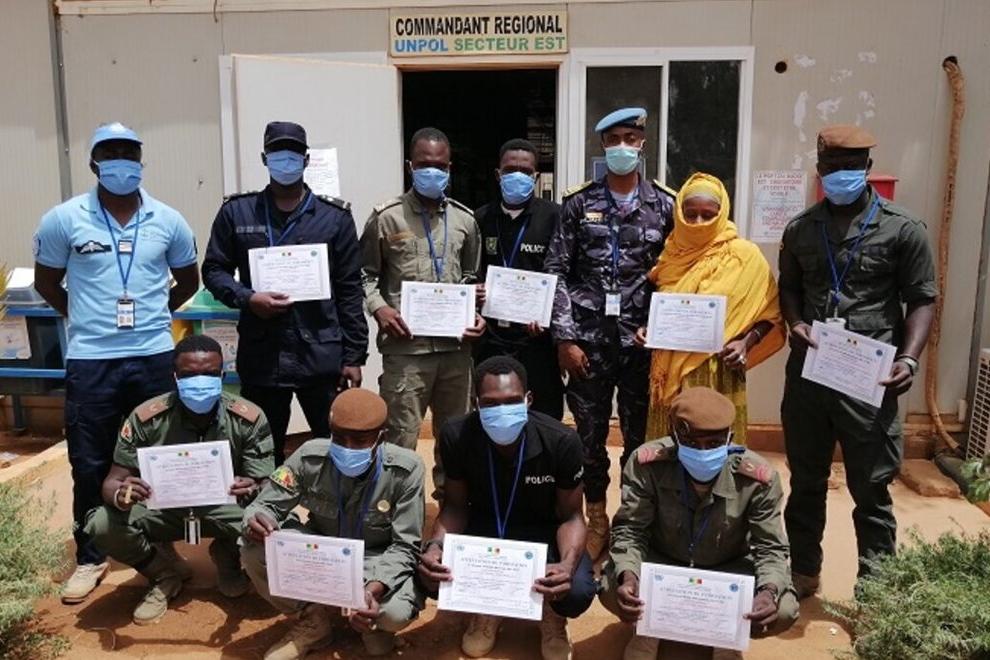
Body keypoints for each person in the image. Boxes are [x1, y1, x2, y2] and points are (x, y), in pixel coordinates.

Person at [32, 122, 200, 604]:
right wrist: (84, 318)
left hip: (153, 356)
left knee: (159, 454)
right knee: (89, 459)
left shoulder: (168, 220)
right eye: (111, 153)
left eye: (130, 152)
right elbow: (47, 282)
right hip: (92, 359)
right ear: (94, 163)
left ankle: (160, 545)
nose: (121, 161)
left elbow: (187, 280)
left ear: (141, 162)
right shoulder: (64, 219)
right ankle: (91, 555)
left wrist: (155, 316)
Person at [779, 125, 937, 596]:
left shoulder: (903, 228)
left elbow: (922, 299)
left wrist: (909, 360)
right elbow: (789, 287)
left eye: (851, 166)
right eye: (832, 167)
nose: (841, 174)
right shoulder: (801, 229)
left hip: (870, 379)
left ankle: (875, 592)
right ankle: (803, 572)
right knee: (806, 482)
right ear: (819, 170)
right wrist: (795, 322)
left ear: (867, 168)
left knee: (871, 490)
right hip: (810, 375)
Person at [544, 107, 676, 559]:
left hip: (643, 344)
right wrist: (565, 338)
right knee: (588, 439)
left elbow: (677, 275)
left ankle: (632, 523)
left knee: (641, 442)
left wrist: (660, 327)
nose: (622, 146)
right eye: (614, 139)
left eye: (630, 138)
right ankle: (596, 517)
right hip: (588, 343)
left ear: (642, 143)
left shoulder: (665, 205)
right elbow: (557, 271)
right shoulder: (578, 204)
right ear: (603, 145)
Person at [202, 121, 368, 466]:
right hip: (264, 357)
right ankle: (268, 502)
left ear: (306, 160)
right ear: (265, 158)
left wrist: (354, 356)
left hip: (321, 355)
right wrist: (248, 298)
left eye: (293, 152)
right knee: (261, 451)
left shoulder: (334, 217)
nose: (286, 160)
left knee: (335, 447)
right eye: (277, 152)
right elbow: (214, 270)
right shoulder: (237, 212)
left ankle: (327, 503)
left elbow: (350, 289)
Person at [82, 335, 274, 625]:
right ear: (175, 377)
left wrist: (254, 487)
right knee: (101, 523)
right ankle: (163, 575)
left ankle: (228, 555)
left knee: (275, 525)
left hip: (224, 509)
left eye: (210, 374)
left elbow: (266, 484)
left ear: (222, 375)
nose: (200, 382)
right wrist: (122, 493)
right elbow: (112, 481)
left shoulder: (248, 418)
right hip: (164, 509)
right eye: (189, 375)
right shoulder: (146, 418)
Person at [417, 356, 595, 660]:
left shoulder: (561, 441)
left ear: (528, 399)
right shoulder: (456, 435)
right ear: (476, 403)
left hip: (544, 533)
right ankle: (488, 607)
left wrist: (566, 565)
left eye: (512, 401)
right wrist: (435, 546)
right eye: (490, 403)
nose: (502, 411)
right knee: (429, 576)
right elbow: (455, 507)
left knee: (576, 591)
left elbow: (572, 516)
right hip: (485, 531)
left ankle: (552, 614)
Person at [601, 386, 798, 660]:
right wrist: (629, 576)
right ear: (674, 436)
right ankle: (647, 628)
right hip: (663, 566)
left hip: (727, 570)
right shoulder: (647, 464)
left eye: (715, 443)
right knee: (612, 588)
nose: (703, 452)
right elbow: (631, 530)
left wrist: (768, 591)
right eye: (692, 443)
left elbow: (771, 548)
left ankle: (728, 636)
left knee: (783, 609)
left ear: (730, 438)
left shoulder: (758, 479)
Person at [241, 388, 425, 659]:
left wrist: (373, 588)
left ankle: (373, 625)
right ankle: (312, 622)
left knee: (395, 613)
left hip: (373, 560)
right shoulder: (308, 457)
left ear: (381, 437)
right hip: (320, 554)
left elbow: (405, 547)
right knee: (254, 548)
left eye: (360, 440)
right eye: (339, 438)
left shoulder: (406, 470)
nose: (348, 448)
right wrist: (257, 518)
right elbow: (265, 504)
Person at [360, 126, 484, 493]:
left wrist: (476, 313)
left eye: (440, 165)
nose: (433, 171)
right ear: (410, 166)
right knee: (400, 437)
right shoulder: (387, 218)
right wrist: (380, 309)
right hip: (407, 351)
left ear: (450, 168)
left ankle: (451, 508)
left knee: (456, 437)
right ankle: (397, 511)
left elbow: (471, 277)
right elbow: (363, 275)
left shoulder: (465, 220)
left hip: (455, 351)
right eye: (425, 164)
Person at [634, 172, 785, 445]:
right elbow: (663, 305)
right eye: (690, 214)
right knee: (671, 449)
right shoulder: (670, 254)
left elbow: (770, 313)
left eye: (708, 215)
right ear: (679, 214)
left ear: (722, 212)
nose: (698, 222)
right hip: (670, 372)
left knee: (717, 447)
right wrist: (649, 330)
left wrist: (746, 343)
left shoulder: (744, 255)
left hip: (719, 371)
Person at [474, 139, 565, 420]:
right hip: (492, 338)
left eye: (525, 171)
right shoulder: (481, 218)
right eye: (510, 170)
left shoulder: (554, 216)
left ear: (536, 177)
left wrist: (549, 317)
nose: (517, 176)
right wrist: (474, 292)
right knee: (495, 413)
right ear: (498, 174)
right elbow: (471, 271)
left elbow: (564, 273)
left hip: (537, 340)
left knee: (544, 415)